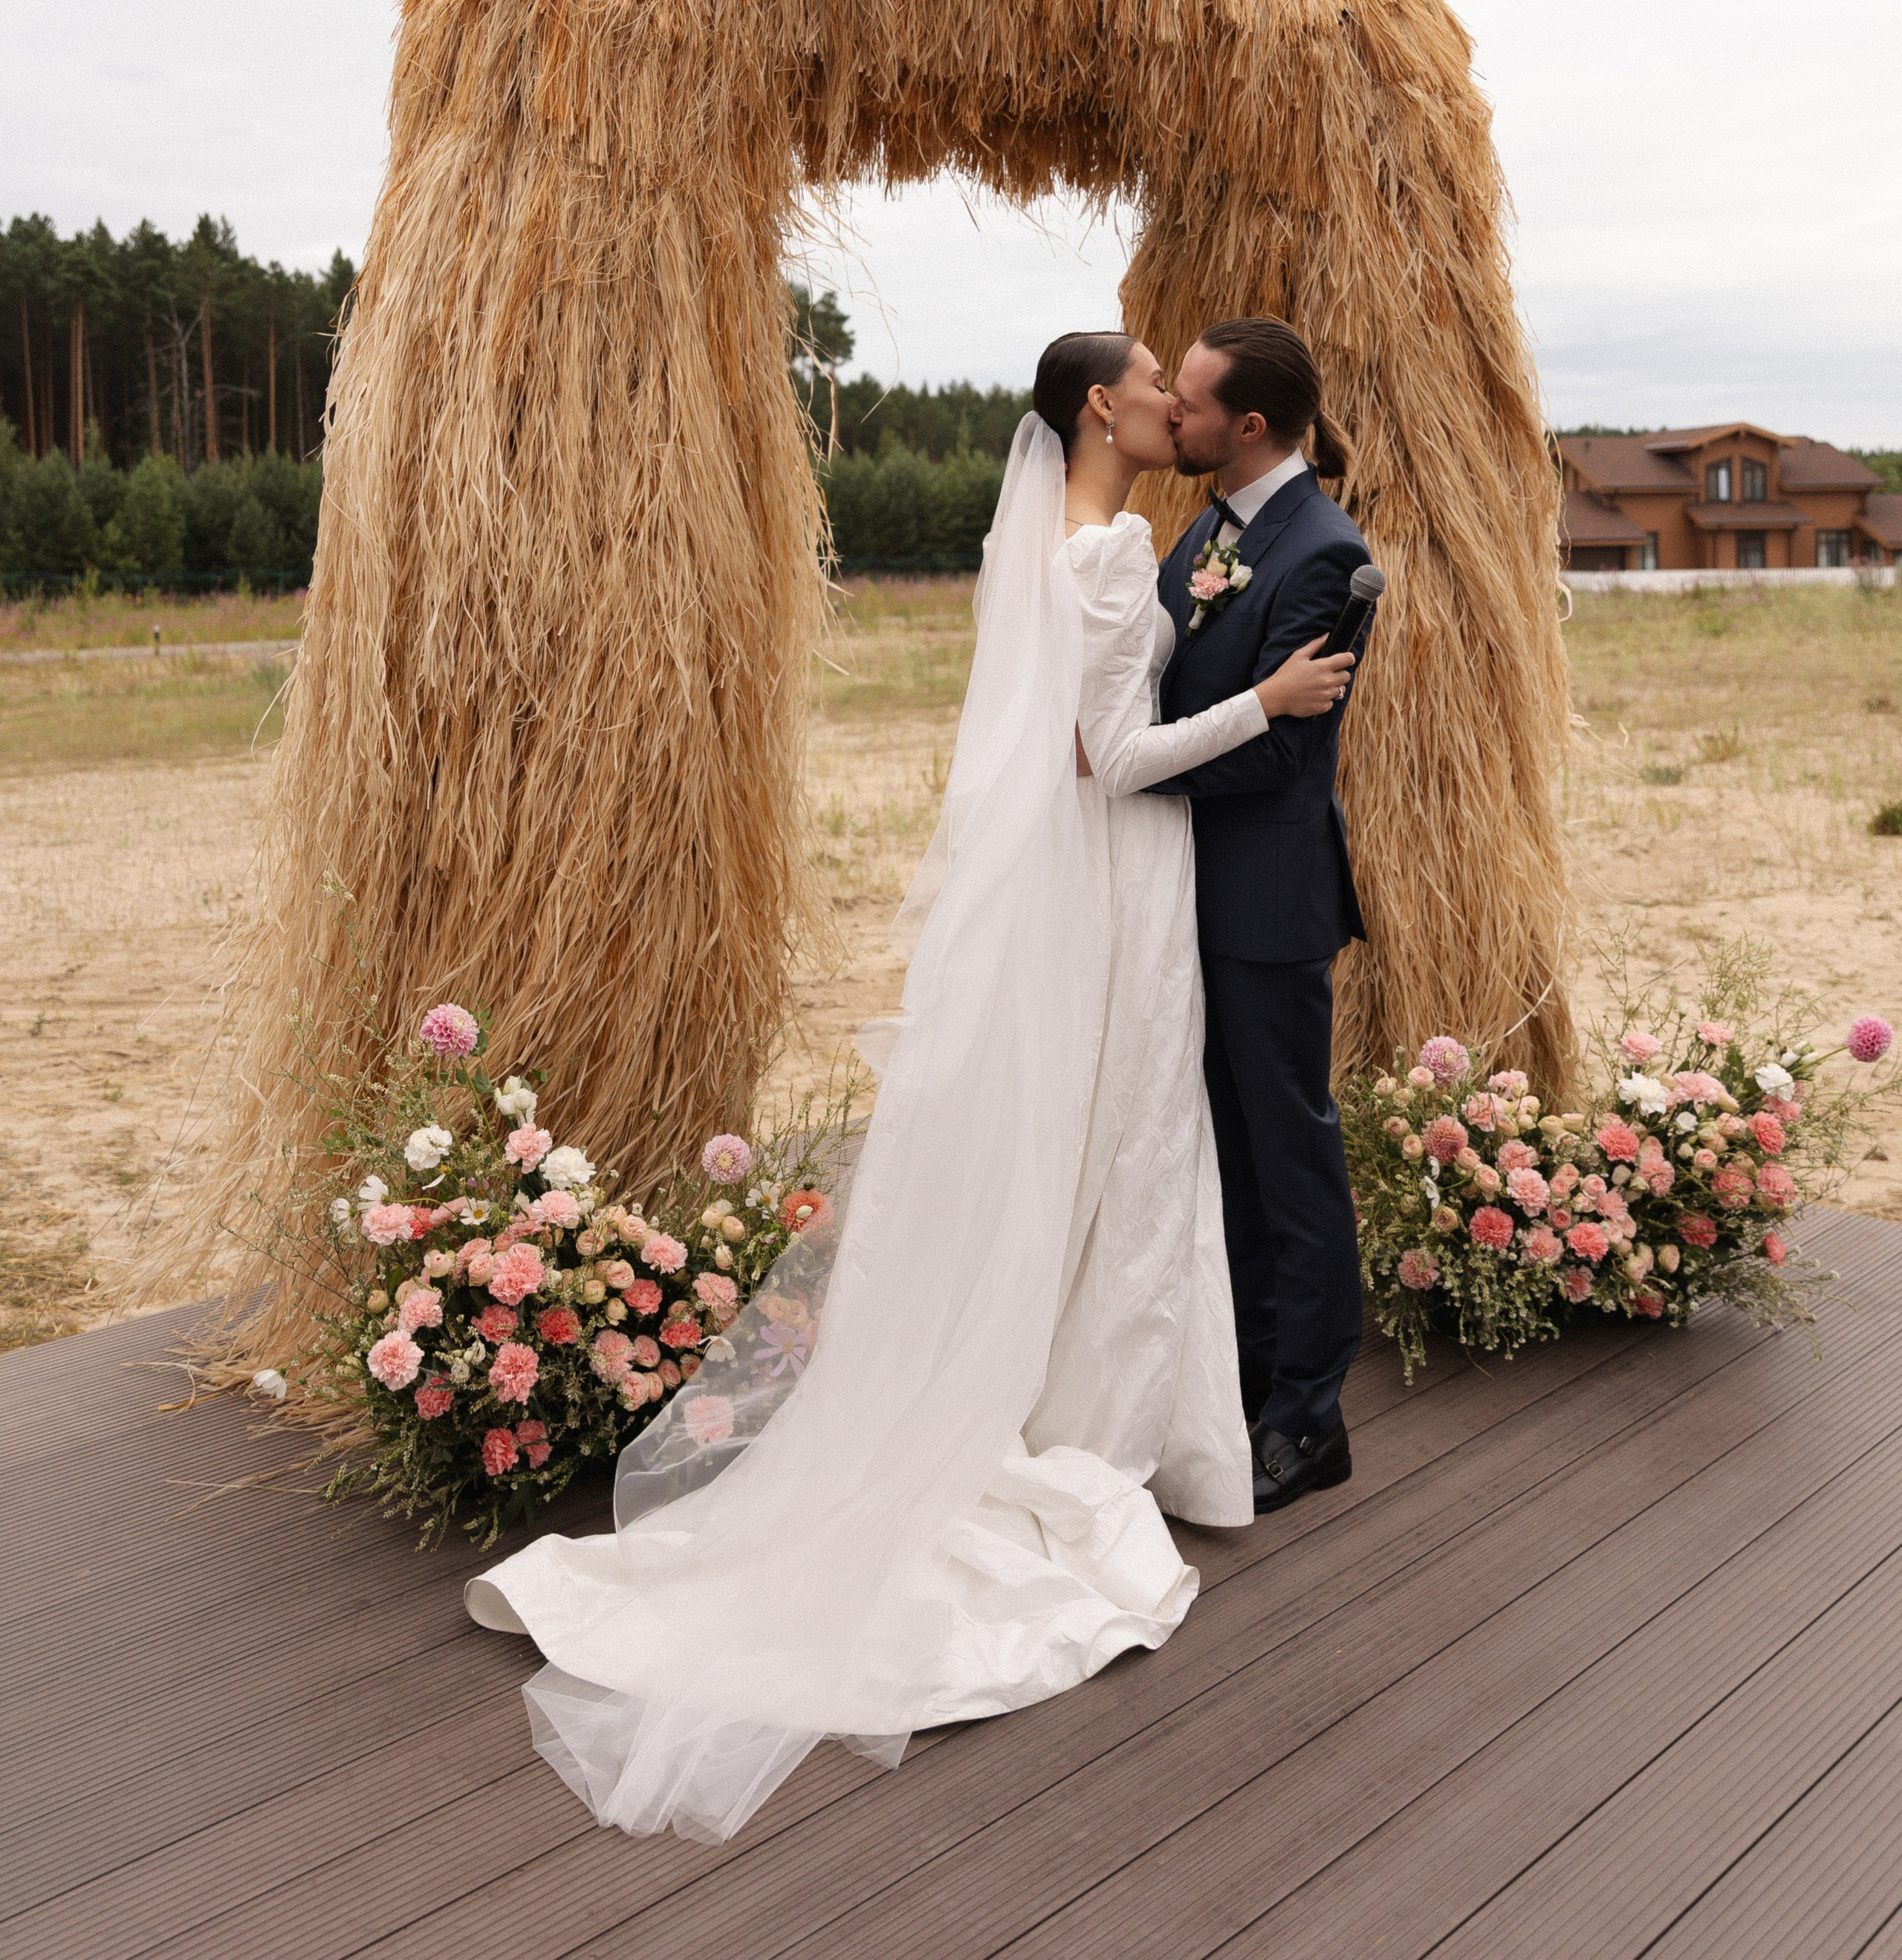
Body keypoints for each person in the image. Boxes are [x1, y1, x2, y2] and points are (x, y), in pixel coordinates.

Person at [464, 331, 1354, 1846]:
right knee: (1132, 1141)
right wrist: (1260, 706)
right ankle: (1125, 1421)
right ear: (1100, 407)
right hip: (1125, 871)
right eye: (1153, 386)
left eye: (1185, 392)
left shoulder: (1083, 537)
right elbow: (1110, 759)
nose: (1169, 407)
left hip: (1107, 885)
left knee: (1115, 1140)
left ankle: (1114, 1392)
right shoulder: (1115, 543)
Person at [1148, 317, 1372, 1516]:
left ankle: (1311, 1413)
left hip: (1268, 897)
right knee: (1225, 1149)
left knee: (1289, 1152)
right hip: (1187, 889)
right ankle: (1241, 1377)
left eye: (1188, 403)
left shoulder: (1327, 557)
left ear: (1246, 427)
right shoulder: (1211, 528)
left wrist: (1129, 765)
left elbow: (1277, 757)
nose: (1171, 417)